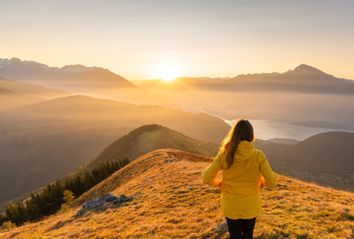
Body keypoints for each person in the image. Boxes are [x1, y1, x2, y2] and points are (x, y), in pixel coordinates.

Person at [202, 119, 277, 239]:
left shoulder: (225, 154)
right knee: (248, 235)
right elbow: (272, 181)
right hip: (250, 206)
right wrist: (261, 183)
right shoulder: (258, 155)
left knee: (235, 236)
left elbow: (206, 177)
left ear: (234, 134)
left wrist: (219, 183)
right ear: (251, 136)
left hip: (231, 206)